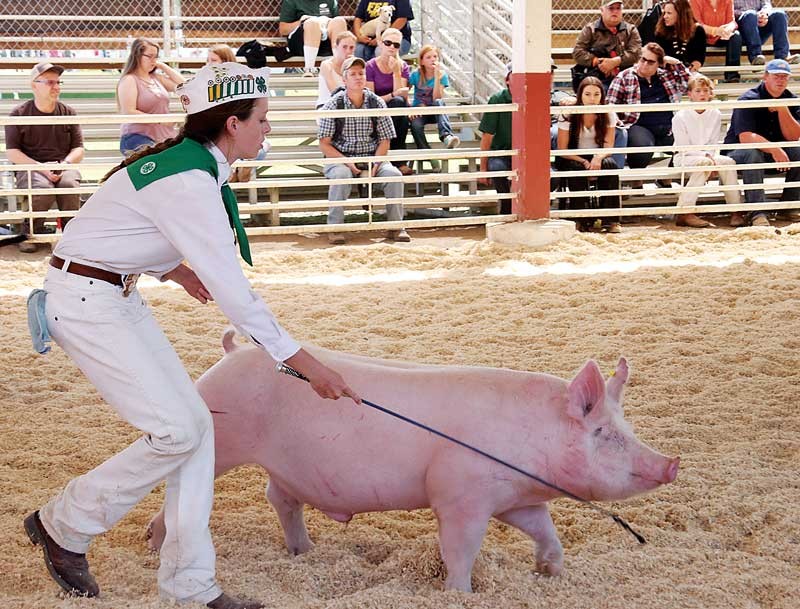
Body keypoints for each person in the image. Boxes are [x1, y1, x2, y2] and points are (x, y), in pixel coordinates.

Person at [23, 62, 359, 609]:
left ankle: (191, 585)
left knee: (195, 428)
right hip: (87, 304)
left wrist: (168, 268)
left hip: (110, 292)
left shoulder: (191, 167)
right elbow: (235, 294)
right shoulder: (189, 179)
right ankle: (66, 524)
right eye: (262, 120)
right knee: (178, 431)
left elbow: (110, 224)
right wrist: (303, 363)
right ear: (231, 123)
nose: (267, 129)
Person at [319, 56, 409, 245]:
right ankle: (335, 228)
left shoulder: (377, 102)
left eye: (361, 73)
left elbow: (385, 140)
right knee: (341, 176)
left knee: (393, 175)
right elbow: (324, 144)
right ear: (344, 80)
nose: (358, 77)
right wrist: (347, 162)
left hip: (372, 155)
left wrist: (375, 163)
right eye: (352, 74)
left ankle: (396, 227)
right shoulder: (334, 104)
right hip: (342, 157)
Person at [4, 62, 84, 253]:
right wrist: (40, 167)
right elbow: (12, 152)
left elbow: (79, 149)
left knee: (69, 184)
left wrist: (65, 164)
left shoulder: (68, 112)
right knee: (41, 187)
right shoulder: (19, 114)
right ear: (34, 85)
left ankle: (71, 235)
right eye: (50, 82)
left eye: (58, 82)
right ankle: (31, 233)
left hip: (63, 164)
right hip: (32, 166)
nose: (56, 87)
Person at [723, 59, 800, 227]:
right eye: (776, 76)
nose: (780, 80)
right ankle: (757, 211)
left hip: (772, 153)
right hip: (739, 153)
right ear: (765, 77)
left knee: (799, 151)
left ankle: (789, 205)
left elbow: (794, 136)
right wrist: (774, 148)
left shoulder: (791, 99)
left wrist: (783, 109)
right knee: (753, 153)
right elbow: (745, 137)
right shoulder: (749, 99)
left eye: (784, 77)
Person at [606, 42, 690, 175]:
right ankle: (636, 180)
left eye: (651, 62)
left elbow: (688, 86)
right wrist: (616, 119)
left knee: (689, 143)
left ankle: (668, 177)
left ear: (659, 64)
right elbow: (610, 104)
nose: (645, 64)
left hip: (669, 125)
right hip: (638, 124)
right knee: (642, 148)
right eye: (643, 59)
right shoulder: (624, 76)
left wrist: (677, 64)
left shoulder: (666, 75)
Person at [672, 73, 742, 227]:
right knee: (704, 164)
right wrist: (707, 158)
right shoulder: (680, 116)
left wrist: (711, 157)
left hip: (709, 156)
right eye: (698, 91)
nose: (702, 94)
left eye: (705, 90)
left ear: (710, 93)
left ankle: (736, 210)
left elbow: (713, 141)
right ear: (689, 94)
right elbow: (684, 147)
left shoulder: (715, 113)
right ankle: (685, 212)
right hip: (684, 157)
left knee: (728, 162)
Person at [556, 76, 622, 233]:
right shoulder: (568, 113)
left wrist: (597, 158)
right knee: (575, 169)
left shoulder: (607, 113)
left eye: (596, 94)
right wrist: (584, 161)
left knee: (611, 166)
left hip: (597, 153)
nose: (592, 99)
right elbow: (563, 149)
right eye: (587, 94)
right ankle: (580, 218)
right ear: (580, 95)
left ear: (602, 96)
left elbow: (608, 145)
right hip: (572, 155)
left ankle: (611, 220)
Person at [117, 38, 184, 155]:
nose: (153, 60)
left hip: (164, 137)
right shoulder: (129, 80)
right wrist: (160, 120)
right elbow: (129, 111)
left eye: (156, 56)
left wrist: (162, 66)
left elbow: (183, 85)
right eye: (150, 56)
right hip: (138, 136)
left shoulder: (156, 78)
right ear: (137, 56)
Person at [365, 28, 413, 175]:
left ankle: (394, 159)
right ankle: (396, 161)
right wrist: (392, 95)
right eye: (388, 43)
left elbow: (402, 96)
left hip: (395, 110)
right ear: (380, 44)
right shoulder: (370, 66)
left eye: (396, 45)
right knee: (398, 107)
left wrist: (396, 73)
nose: (392, 47)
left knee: (399, 107)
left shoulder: (402, 66)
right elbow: (371, 98)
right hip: (376, 109)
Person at [408, 45, 460, 170]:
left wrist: (437, 78)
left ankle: (446, 136)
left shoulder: (442, 76)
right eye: (428, 57)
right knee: (415, 126)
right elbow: (404, 92)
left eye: (435, 56)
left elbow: (437, 97)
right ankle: (429, 156)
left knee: (439, 102)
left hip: (435, 111)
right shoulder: (416, 75)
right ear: (422, 61)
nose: (432, 59)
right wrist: (410, 108)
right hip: (420, 111)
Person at [572, 0, 642, 91]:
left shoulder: (631, 30)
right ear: (602, 10)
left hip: (626, 79)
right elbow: (578, 52)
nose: (615, 11)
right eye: (611, 8)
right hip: (596, 79)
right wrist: (598, 62)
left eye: (618, 8)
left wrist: (615, 61)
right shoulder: (590, 30)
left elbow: (636, 54)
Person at [279, 0, 348, 77]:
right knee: (312, 23)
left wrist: (324, 22)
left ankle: (338, 67)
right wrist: (302, 21)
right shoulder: (291, 1)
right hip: (301, 44)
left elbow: (335, 24)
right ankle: (309, 69)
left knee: (339, 21)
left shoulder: (331, 1)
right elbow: (283, 29)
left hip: (325, 42)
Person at [478, 63, 513, 213]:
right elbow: (487, 135)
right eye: (514, 75)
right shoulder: (497, 99)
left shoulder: (535, 97)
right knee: (498, 168)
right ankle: (506, 210)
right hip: (501, 152)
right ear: (507, 80)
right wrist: (483, 168)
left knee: (552, 177)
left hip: (527, 155)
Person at [733, 0, 799, 66]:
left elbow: (766, 4)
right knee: (750, 15)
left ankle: (783, 56)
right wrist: (752, 15)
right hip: (740, 29)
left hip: (760, 26)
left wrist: (764, 14)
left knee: (779, 14)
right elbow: (729, 10)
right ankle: (755, 57)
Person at [690, 0, 742, 82]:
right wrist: (715, 31)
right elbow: (696, 24)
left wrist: (728, 29)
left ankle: (732, 75)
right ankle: (696, 75)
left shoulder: (728, 1)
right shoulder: (695, 1)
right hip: (703, 37)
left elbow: (732, 21)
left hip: (721, 36)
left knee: (736, 36)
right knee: (697, 33)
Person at [649, 0, 707, 72]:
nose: (665, 16)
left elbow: (698, 59)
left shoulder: (698, 31)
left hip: (689, 72)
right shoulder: (661, 31)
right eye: (664, 13)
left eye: (669, 13)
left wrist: (688, 72)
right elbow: (658, 56)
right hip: (666, 72)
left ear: (680, 14)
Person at [317, 30, 356, 109]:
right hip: (327, 104)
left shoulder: (356, 66)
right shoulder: (327, 65)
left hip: (349, 106)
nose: (348, 51)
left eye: (351, 48)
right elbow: (335, 92)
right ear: (336, 47)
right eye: (344, 47)